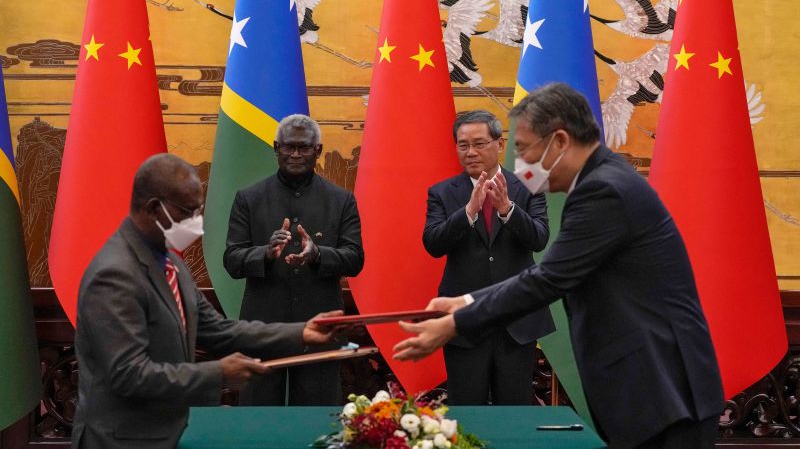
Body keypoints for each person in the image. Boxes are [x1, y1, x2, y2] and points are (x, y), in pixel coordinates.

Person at [394, 83, 724, 448]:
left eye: (524, 149)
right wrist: (465, 301)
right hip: (653, 388)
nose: (521, 165)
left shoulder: (604, 190)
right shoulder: (604, 178)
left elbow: (549, 278)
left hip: (663, 391)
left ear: (560, 141)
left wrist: (459, 319)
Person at [72, 154, 342, 449]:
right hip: (122, 439)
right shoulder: (115, 274)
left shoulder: (170, 263)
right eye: (188, 212)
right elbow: (129, 374)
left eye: (198, 211)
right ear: (153, 208)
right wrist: (218, 373)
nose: (197, 224)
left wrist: (301, 332)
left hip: (165, 431)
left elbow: (218, 329)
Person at [224, 114, 364, 406]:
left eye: (304, 147)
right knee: (259, 415)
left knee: (317, 417)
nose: (296, 154)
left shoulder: (341, 200)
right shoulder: (249, 198)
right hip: (263, 327)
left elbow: (355, 259)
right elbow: (232, 260)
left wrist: (318, 254)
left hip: (320, 325)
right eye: (288, 147)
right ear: (276, 148)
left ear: (318, 150)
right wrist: (264, 253)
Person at [423, 110, 554, 405]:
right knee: (466, 410)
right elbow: (433, 244)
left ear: (499, 143)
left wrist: (508, 209)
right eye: (463, 145)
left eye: (479, 143)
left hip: (516, 320)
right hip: (464, 322)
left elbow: (539, 238)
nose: (470, 152)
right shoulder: (442, 192)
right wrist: (468, 212)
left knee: (514, 409)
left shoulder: (528, 187)